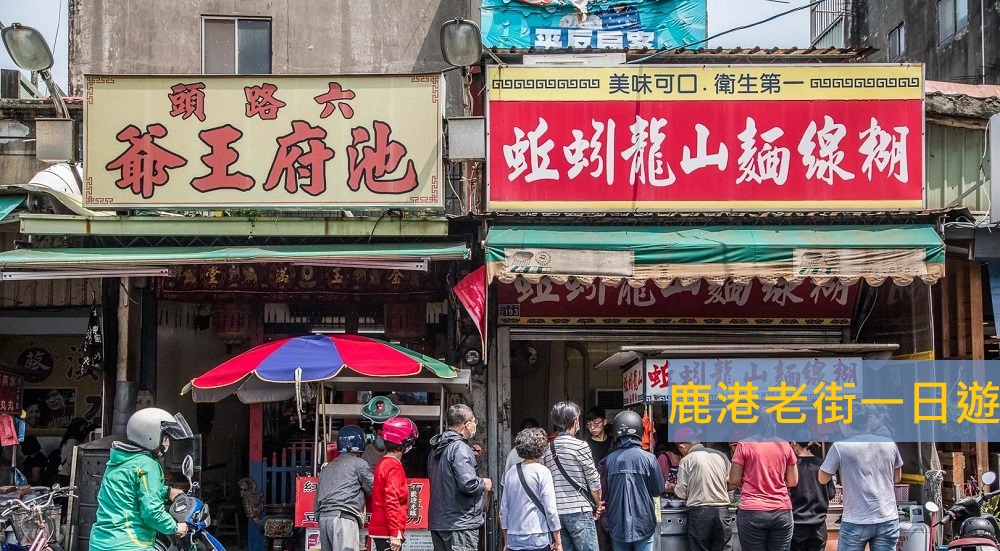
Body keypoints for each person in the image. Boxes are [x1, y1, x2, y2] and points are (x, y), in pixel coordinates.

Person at [89, 408, 194, 551]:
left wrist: (167, 491)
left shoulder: (121, 459)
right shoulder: (146, 464)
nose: (167, 442)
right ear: (150, 435)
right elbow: (152, 513)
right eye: (164, 437)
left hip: (101, 542)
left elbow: (128, 491)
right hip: (130, 544)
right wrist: (175, 527)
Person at [818, 405, 903, 551]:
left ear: (845, 423)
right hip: (887, 517)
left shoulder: (840, 447)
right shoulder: (889, 443)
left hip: (856, 519)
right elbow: (897, 478)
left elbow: (822, 479)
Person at [729, 414, 799, 551]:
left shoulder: (744, 444)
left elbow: (734, 480)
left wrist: (751, 480)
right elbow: (793, 481)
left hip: (751, 512)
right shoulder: (785, 445)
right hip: (781, 511)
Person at [428, 404, 492, 551]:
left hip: (440, 521)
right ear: (467, 424)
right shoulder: (460, 448)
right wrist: (483, 483)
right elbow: (468, 484)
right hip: (460, 523)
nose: (475, 425)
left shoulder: (437, 448)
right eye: (474, 421)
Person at [541, 401, 602, 551]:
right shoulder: (580, 446)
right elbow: (593, 480)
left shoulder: (548, 448)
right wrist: (598, 504)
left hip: (557, 512)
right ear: (575, 421)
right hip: (579, 511)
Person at [603, 411, 664, 551]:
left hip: (617, 524)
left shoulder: (610, 460)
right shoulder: (649, 459)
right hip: (644, 523)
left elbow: (606, 491)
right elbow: (658, 490)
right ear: (639, 431)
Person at [501, 427, 562, 551]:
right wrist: (558, 540)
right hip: (538, 536)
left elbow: (504, 509)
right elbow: (550, 509)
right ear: (541, 448)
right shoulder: (543, 472)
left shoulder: (511, 472)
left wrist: (506, 540)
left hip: (514, 537)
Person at [672, 427, 732, 551]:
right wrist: (717, 488)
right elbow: (734, 482)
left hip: (700, 513)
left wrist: (672, 488)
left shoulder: (686, 460)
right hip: (722, 512)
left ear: (682, 447)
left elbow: (681, 493)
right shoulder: (720, 455)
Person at [315, 425, 374, 551]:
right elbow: (373, 488)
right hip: (344, 518)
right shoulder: (359, 464)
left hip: (324, 519)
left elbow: (317, 499)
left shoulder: (327, 468)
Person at [369, 417, 419, 551]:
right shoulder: (394, 466)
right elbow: (392, 500)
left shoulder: (383, 462)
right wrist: (395, 532)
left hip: (381, 528)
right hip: (387, 530)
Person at [789, 435, 835, 551]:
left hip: (797, 524)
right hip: (819, 525)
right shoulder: (822, 464)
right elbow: (831, 494)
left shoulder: (792, 467)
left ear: (795, 443)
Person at [56, 417, 95, 486]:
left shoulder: (67, 440)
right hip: (67, 474)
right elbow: (70, 460)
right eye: (83, 428)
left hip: (63, 473)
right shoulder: (72, 441)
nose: (83, 431)